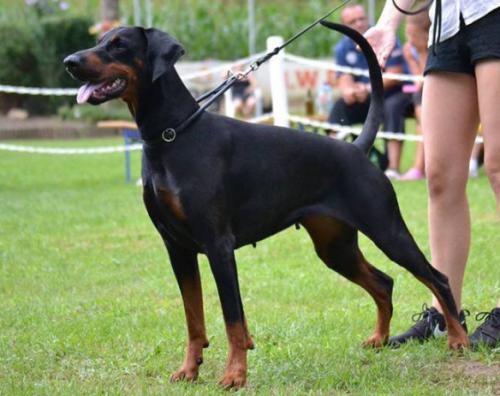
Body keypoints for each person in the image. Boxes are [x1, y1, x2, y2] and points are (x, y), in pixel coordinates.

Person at [365, 0, 500, 348]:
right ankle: (445, 313)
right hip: (449, 23)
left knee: (497, 167)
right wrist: (387, 23)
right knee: (439, 176)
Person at [329, 3, 412, 179]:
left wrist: (367, 88)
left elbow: (396, 74)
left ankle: (393, 168)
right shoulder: (342, 48)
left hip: (394, 92)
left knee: (392, 107)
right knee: (339, 107)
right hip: (366, 96)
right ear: (344, 25)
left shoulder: (384, 36)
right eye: (352, 21)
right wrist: (350, 91)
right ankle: (334, 165)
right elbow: (344, 80)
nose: (359, 24)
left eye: (362, 18)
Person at [400, 12, 430, 181]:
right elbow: (419, 78)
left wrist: (423, 52)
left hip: (435, 90)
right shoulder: (408, 50)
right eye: (407, 34)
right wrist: (416, 53)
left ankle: (420, 167)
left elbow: (430, 77)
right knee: (422, 125)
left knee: (423, 125)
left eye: (414, 35)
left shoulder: (436, 48)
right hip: (420, 93)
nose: (410, 39)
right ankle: (419, 167)